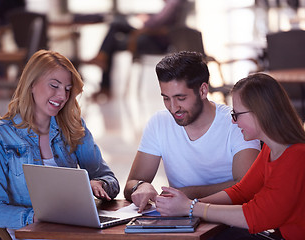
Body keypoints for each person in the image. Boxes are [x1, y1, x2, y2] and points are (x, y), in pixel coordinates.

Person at [0, 50, 120, 235]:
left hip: (73, 233)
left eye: (68, 89)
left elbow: (111, 180)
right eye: (54, 86)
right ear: (31, 85)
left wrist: (98, 184)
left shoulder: (73, 126)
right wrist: (35, 217)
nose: (62, 96)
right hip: (32, 235)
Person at [155, 73, 305, 239]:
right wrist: (186, 205)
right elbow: (241, 192)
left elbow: (256, 216)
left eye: (237, 114)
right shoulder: (270, 149)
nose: (233, 121)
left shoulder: (297, 156)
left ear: (260, 113)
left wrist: (190, 207)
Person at [124, 51, 261, 212]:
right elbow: (131, 183)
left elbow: (247, 186)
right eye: (166, 98)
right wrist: (141, 187)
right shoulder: (159, 123)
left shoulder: (236, 123)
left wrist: (188, 194)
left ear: (203, 91)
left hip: (229, 221)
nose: (173, 108)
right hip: (181, 222)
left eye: (181, 98)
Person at [84, 0, 186, 98]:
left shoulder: (174, 2)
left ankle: (103, 69)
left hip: (153, 40)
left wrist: (145, 19)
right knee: (117, 23)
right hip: (148, 35)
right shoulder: (171, 3)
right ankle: (102, 60)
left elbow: (156, 23)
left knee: (115, 34)